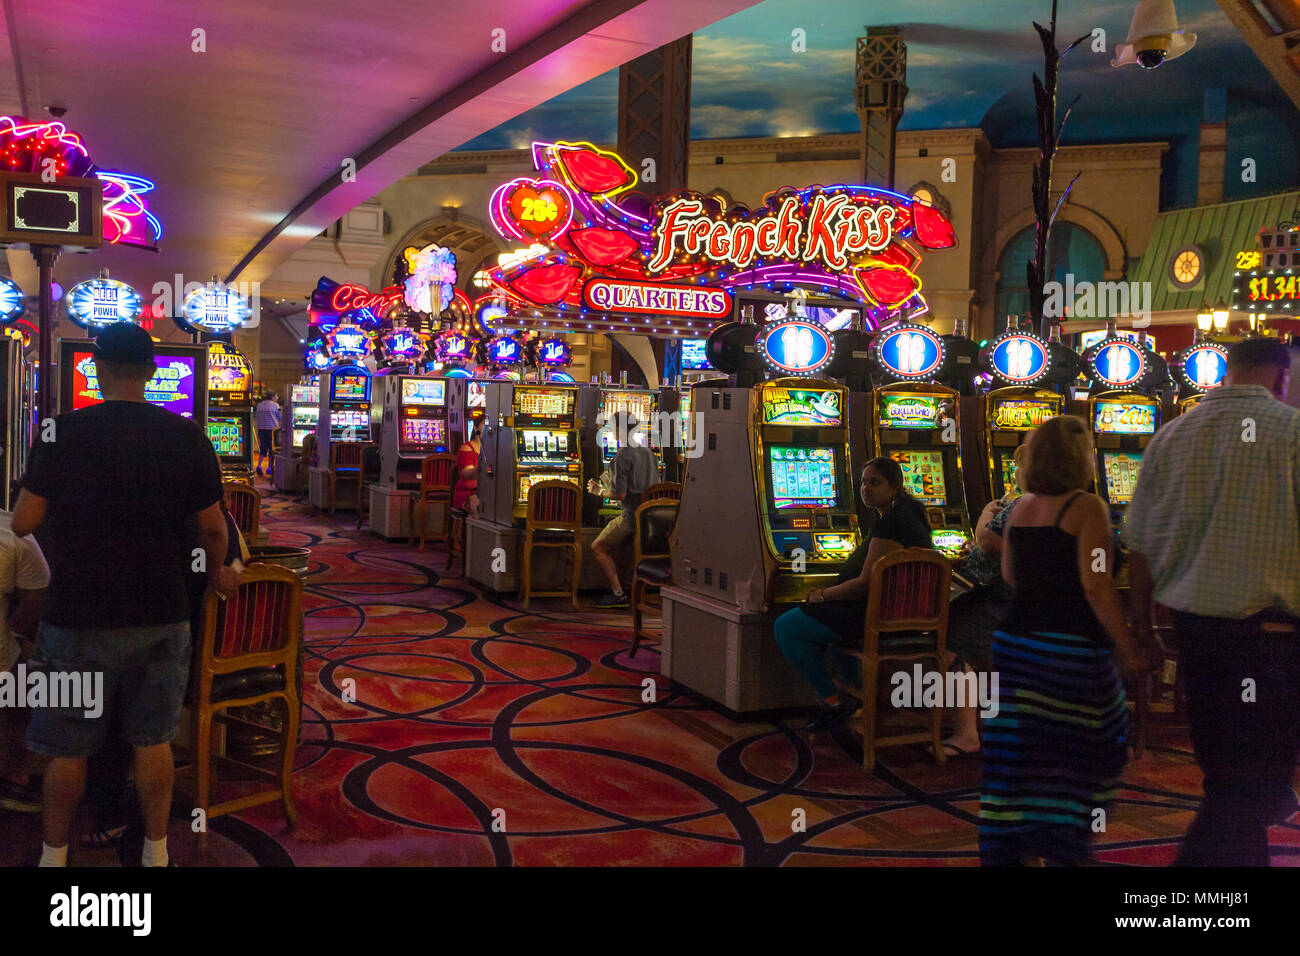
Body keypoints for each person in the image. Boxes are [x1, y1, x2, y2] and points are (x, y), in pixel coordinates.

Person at [12, 322, 240, 868]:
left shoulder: (59, 430)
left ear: (95, 368)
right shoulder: (186, 435)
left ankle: (53, 855)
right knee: (153, 739)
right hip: (161, 612)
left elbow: (23, 521)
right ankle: (157, 852)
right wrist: (215, 574)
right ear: (154, 372)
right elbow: (213, 530)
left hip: (76, 614)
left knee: (66, 749)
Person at [1125, 336, 1300, 867]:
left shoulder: (1170, 437)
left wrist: (1144, 633)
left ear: (1228, 372)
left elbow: (1138, 548)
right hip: (1271, 643)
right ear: (1281, 377)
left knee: (1229, 780)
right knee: (1243, 790)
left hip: (1194, 636)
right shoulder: (1293, 432)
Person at [979, 416, 1153, 867]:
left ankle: (1018, 844)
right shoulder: (1087, 506)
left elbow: (1010, 576)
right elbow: (1095, 586)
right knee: (1095, 744)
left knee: (1022, 753)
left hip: (1015, 645)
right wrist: (1129, 646)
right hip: (1069, 650)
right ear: (1080, 458)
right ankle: (1062, 841)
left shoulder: (1018, 509)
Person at [773, 456, 932, 731]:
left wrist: (824, 594)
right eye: (863, 483)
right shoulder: (910, 515)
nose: (866, 489)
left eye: (875, 483)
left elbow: (866, 583)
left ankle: (833, 699)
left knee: (785, 627)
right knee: (826, 629)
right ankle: (855, 692)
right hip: (896, 613)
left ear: (894, 487)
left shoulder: (891, 524)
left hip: (873, 615)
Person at [939, 441, 1032, 757]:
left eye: (1018, 465)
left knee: (950, 639)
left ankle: (966, 734)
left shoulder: (1021, 505)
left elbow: (989, 539)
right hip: (1019, 601)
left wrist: (982, 517)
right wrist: (974, 548)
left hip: (995, 599)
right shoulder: (1057, 503)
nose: (1014, 472)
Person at [0, 510, 50, 812]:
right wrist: (15, 633)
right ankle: (15, 777)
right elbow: (36, 599)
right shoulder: (13, 530)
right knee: (30, 676)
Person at [588, 411, 660, 609]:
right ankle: (630, 588)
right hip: (651, 519)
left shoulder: (622, 456)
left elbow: (620, 495)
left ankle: (618, 594)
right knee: (622, 545)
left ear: (618, 430)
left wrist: (599, 491)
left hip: (632, 517)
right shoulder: (649, 453)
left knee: (598, 547)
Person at [254, 391, 281, 478]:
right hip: (272, 430)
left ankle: (259, 466)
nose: (277, 398)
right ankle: (269, 468)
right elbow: (280, 417)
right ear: (272, 397)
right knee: (271, 449)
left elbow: (257, 416)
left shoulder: (260, 405)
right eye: (276, 396)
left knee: (263, 448)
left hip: (261, 429)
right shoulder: (275, 405)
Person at [452, 433, 482, 514]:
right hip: (468, 493)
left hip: (487, 492)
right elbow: (467, 474)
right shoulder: (467, 448)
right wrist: (482, 468)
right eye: (485, 423)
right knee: (481, 507)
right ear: (476, 428)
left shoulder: (493, 448)